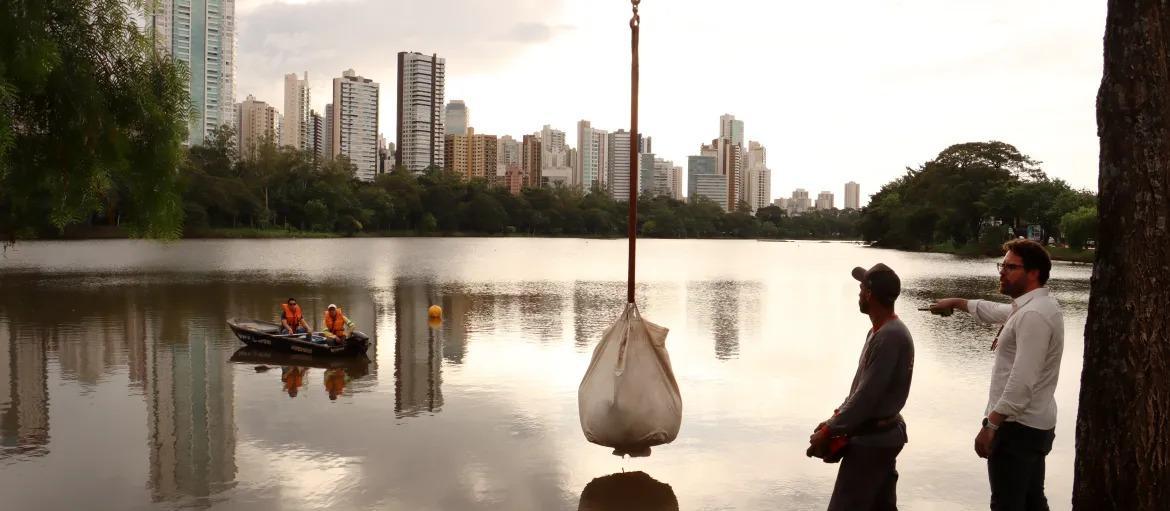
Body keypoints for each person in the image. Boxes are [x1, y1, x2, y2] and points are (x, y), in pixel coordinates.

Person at [930, 239, 1064, 511]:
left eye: (1010, 267)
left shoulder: (1034, 315)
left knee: (1007, 504)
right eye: (1001, 266)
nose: (1002, 272)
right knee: (1031, 502)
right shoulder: (1031, 307)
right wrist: (958, 302)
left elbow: (1022, 380)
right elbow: (998, 312)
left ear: (1034, 272)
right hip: (1032, 425)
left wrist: (991, 425)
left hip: (1017, 428)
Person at [808, 263, 915, 511]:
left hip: (874, 440)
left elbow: (867, 397)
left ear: (869, 293)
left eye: (861, 287)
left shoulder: (890, 336)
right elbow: (859, 390)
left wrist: (829, 431)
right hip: (879, 435)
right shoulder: (878, 332)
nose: (858, 293)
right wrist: (833, 420)